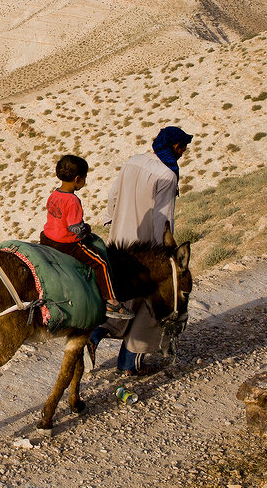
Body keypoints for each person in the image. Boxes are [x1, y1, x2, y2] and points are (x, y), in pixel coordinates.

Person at [91, 126, 193, 375]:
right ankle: (129, 362)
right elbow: (162, 218)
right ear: (176, 148)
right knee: (152, 302)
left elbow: (113, 193)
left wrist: (111, 219)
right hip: (146, 247)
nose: (184, 151)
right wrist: (165, 251)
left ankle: (92, 338)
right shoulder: (167, 176)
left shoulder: (134, 160)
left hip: (120, 241)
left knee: (118, 295)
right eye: (183, 147)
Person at [39, 155, 134, 320]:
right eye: (84, 178)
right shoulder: (72, 201)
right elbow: (76, 229)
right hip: (66, 244)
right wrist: (87, 228)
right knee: (101, 263)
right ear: (77, 179)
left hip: (47, 238)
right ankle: (111, 302)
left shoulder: (54, 194)